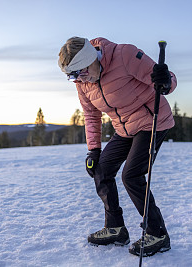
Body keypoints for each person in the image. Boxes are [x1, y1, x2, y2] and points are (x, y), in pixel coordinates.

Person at [58, 37, 177, 257]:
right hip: (124, 128)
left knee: (131, 175)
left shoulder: (124, 55)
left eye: (81, 72)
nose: (80, 79)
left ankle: (157, 233)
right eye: (73, 76)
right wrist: (93, 150)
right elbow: (91, 115)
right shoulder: (83, 83)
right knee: (101, 169)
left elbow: (166, 80)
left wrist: (166, 81)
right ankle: (116, 228)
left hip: (152, 122)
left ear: (91, 58)